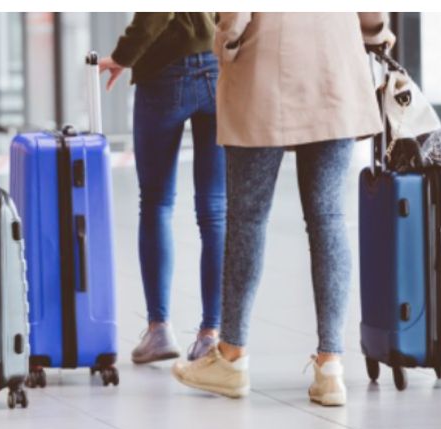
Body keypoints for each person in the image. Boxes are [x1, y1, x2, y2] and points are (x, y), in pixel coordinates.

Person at [172, 12, 395, 406]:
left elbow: (235, 16)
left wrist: (225, 42)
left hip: (264, 69)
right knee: (329, 218)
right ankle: (331, 367)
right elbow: (372, 15)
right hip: (335, 68)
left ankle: (231, 357)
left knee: (248, 218)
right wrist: (377, 34)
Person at [99, 13, 226, 363]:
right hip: (216, 64)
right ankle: (211, 335)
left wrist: (125, 55)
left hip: (165, 68)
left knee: (156, 202)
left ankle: (159, 330)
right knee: (214, 210)